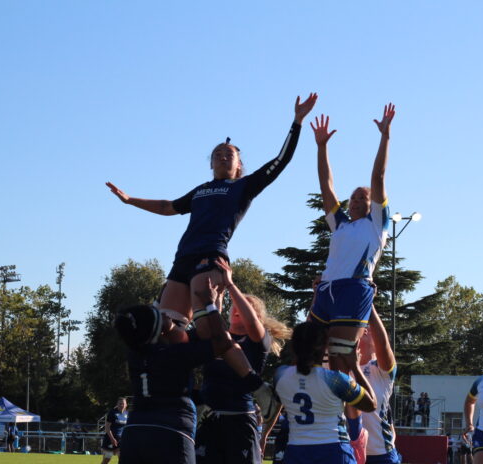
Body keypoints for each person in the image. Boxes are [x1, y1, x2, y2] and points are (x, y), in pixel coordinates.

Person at [106, 94, 317, 389]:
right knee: (167, 328)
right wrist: (130, 201)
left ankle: (255, 386)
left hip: (212, 256)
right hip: (182, 259)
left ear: (239, 165)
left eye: (228, 153)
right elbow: (168, 207)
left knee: (207, 329)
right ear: (210, 163)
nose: (222, 155)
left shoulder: (244, 186)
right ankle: (178, 384)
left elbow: (280, 161)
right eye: (217, 153)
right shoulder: (201, 190)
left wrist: (297, 122)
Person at [114, 287, 264, 464]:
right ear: (158, 329)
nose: (168, 318)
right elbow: (223, 342)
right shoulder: (176, 354)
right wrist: (209, 305)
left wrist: (161, 297)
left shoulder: (134, 354)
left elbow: (142, 323)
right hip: (170, 432)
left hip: (134, 432)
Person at [307, 104, 395, 372]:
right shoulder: (341, 224)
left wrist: (385, 136)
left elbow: (378, 176)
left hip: (354, 289)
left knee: (340, 360)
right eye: (353, 197)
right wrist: (322, 147)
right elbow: (326, 186)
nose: (355, 201)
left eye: (362, 197)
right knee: (304, 356)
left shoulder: (377, 224)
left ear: (372, 204)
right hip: (326, 289)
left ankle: (355, 412)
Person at [194, 258, 292, 464]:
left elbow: (250, 322)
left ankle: (263, 394)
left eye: (246, 306)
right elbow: (214, 316)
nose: (238, 308)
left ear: (256, 316)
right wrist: (217, 294)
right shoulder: (218, 336)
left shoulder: (258, 339)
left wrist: (230, 285)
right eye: (235, 306)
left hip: (239, 418)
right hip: (210, 418)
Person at [274, 321, 377, 464]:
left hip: (296, 450)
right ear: (324, 347)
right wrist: (355, 366)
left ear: (293, 346)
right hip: (334, 450)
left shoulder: (280, 375)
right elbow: (371, 404)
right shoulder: (335, 380)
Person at [358, 306, 402, 464]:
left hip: (379, 454)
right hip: (349, 451)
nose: (365, 330)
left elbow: (383, 346)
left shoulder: (379, 369)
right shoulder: (341, 365)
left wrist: (368, 302)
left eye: (368, 328)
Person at [101, 397, 128, 464]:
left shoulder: (127, 414)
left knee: (122, 458)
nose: (122, 405)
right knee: (107, 459)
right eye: (120, 403)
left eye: (123, 404)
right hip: (109, 439)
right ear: (117, 404)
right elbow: (107, 427)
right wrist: (112, 439)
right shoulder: (112, 412)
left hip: (121, 440)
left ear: (126, 405)